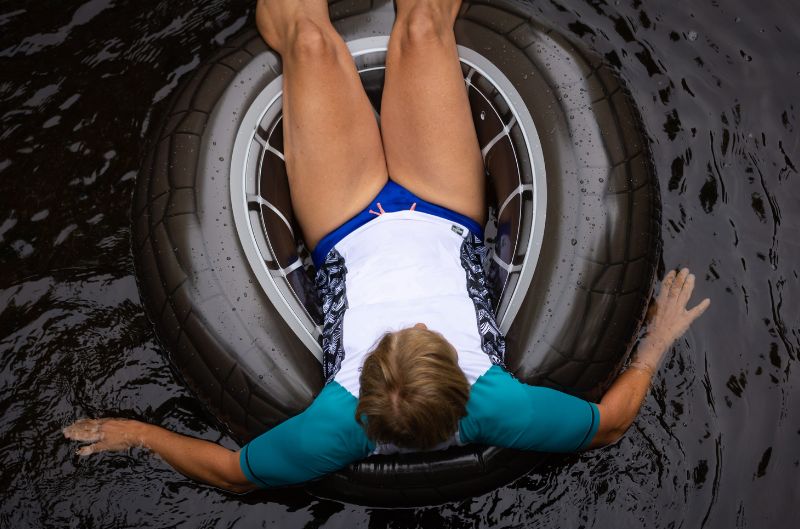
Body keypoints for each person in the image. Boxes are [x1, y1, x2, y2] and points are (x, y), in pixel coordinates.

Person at [63, 0, 710, 494]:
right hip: (445, 204)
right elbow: (613, 422)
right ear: (462, 379)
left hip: (344, 221)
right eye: (425, 333)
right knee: (425, 27)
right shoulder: (502, 405)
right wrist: (656, 340)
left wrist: (139, 434)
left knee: (311, 45)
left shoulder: (334, 427)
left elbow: (232, 472)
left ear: (365, 390)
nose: (418, 320)